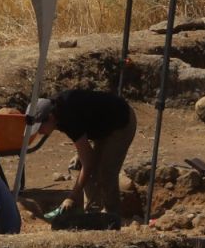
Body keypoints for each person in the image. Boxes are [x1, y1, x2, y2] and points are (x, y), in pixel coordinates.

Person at [26, 89, 139, 222]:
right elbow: (83, 128)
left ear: (50, 117)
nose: (39, 132)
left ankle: (112, 217)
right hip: (101, 125)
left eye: (39, 128)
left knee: (106, 172)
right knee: (89, 170)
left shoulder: (68, 115)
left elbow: (88, 163)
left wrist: (71, 197)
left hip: (121, 122)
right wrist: (83, 153)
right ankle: (92, 212)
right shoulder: (56, 111)